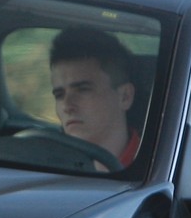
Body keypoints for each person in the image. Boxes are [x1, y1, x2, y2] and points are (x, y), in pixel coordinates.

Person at [47, 27, 141, 168]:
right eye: (59, 95)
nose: (67, 106)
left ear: (124, 97)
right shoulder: (47, 161)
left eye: (82, 90)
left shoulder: (154, 165)